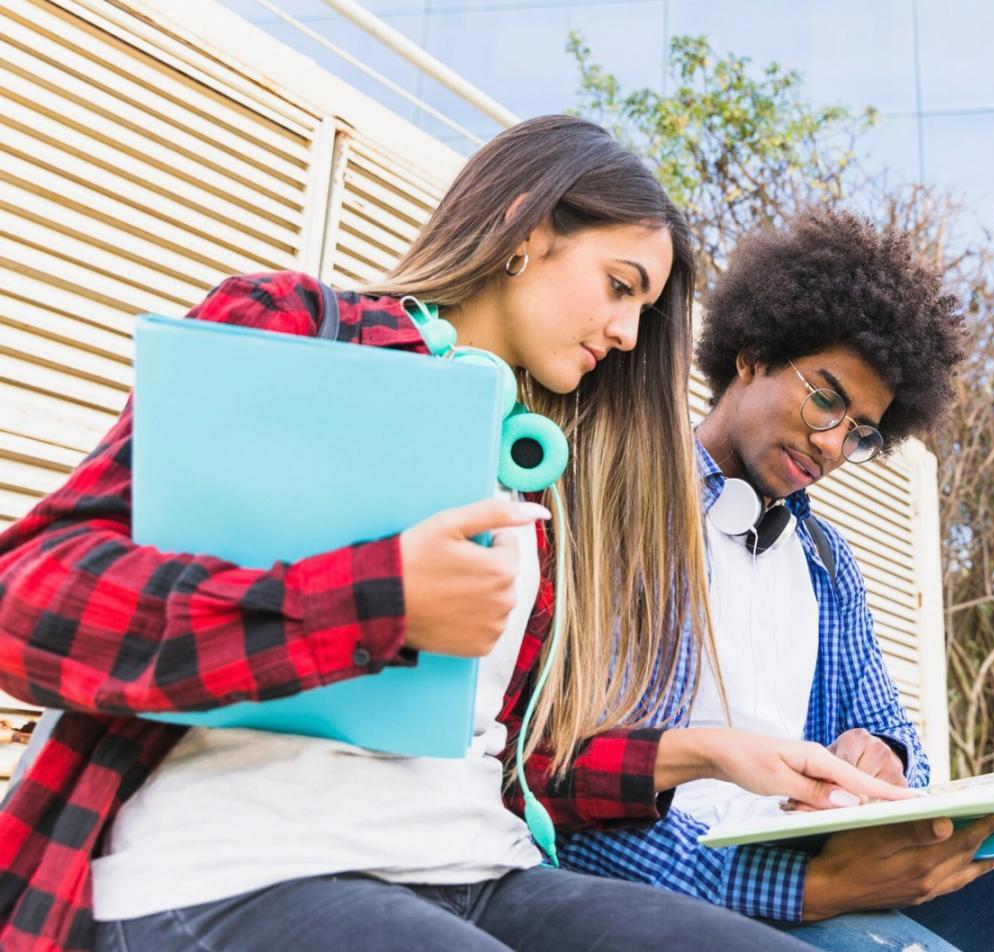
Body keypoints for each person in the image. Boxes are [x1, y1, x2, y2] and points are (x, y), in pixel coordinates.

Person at [0, 118, 900, 952]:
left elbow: (511, 767)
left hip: (477, 862)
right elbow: (31, 600)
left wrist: (704, 749)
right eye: (620, 287)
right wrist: (379, 599)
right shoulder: (300, 335)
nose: (628, 334)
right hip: (239, 860)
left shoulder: (534, 473)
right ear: (523, 228)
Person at [558, 207, 994, 951]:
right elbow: (564, 786)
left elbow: (892, 733)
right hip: (695, 880)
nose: (834, 444)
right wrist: (813, 888)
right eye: (827, 399)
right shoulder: (617, 499)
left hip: (830, 856)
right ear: (751, 356)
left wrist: (880, 753)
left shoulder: (825, 559)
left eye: (863, 430)